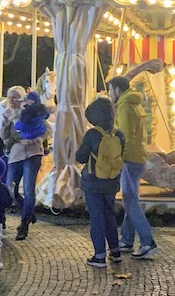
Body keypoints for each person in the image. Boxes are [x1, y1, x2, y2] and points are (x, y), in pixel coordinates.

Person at [108, 76, 158, 259]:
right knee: (130, 198)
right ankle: (127, 239)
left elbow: (124, 136)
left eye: (110, 90)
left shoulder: (125, 107)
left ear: (118, 90)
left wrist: (118, 158)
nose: (109, 93)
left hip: (129, 158)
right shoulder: (133, 103)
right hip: (137, 156)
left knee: (130, 201)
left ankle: (147, 241)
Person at [76, 97, 125, 268]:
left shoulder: (92, 134)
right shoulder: (119, 133)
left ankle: (99, 255)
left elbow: (80, 157)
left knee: (96, 218)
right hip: (112, 181)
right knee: (109, 215)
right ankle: (115, 251)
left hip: (93, 182)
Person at [0, 90, 51, 241]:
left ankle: (24, 225)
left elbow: (47, 129)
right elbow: (4, 136)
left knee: (29, 190)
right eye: (9, 97)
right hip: (15, 155)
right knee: (10, 188)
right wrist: (4, 123)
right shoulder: (9, 113)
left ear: (21, 99)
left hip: (33, 153)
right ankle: (28, 211)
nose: (12, 100)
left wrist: (36, 140)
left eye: (15, 97)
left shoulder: (32, 110)